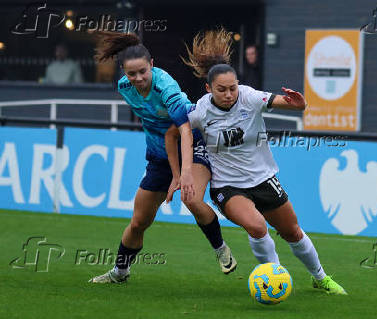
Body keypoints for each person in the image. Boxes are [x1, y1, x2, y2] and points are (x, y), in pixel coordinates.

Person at [165, 29, 347, 295]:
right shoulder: (201, 110)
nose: (229, 94)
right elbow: (173, 133)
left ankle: (320, 277)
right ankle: (275, 281)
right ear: (208, 89)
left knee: (293, 232)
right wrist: (181, 171)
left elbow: (284, 102)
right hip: (228, 187)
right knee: (257, 227)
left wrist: (298, 104)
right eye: (221, 90)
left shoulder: (249, 97)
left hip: (263, 179)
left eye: (232, 88)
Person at [88, 31, 236, 284]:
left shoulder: (167, 89)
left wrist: (183, 174)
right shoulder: (124, 88)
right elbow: (158, 129)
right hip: (159, 156)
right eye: (131, 73)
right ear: (123, 71)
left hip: (193, 143)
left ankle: (221, 249)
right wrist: (171, 171)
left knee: (190, 198)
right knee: (138, 222)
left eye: (143, 71)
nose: (138, 78)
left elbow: (184, 131)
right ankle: (119, 273)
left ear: (152, 65)